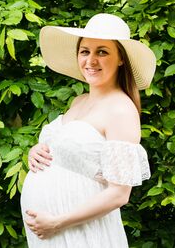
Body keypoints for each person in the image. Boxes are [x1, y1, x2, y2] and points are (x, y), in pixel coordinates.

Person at [20, 13, 156, 247]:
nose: (91, 60)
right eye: (85, 51)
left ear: (121, 59)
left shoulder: (120, 110)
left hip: (78, 232)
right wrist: (37, 152)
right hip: (50, 233)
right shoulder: (79, 101)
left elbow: (119, 194)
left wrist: (57, 222)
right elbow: (69, 155)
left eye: (102, 52)